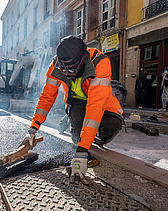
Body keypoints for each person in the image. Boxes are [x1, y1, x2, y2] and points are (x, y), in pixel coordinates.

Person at [20, 35, 124, 184]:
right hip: (76, 103)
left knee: (110, 126)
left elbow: (95, 107)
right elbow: (46, 97)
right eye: (63, 69)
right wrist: (33, 129)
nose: (67, 73)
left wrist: (82, 152)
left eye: (72, 69)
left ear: (83, 59)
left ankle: (94, 137)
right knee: (76, 137)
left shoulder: (100, 62)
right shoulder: (56, 65)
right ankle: (81, 134)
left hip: (102, 103)